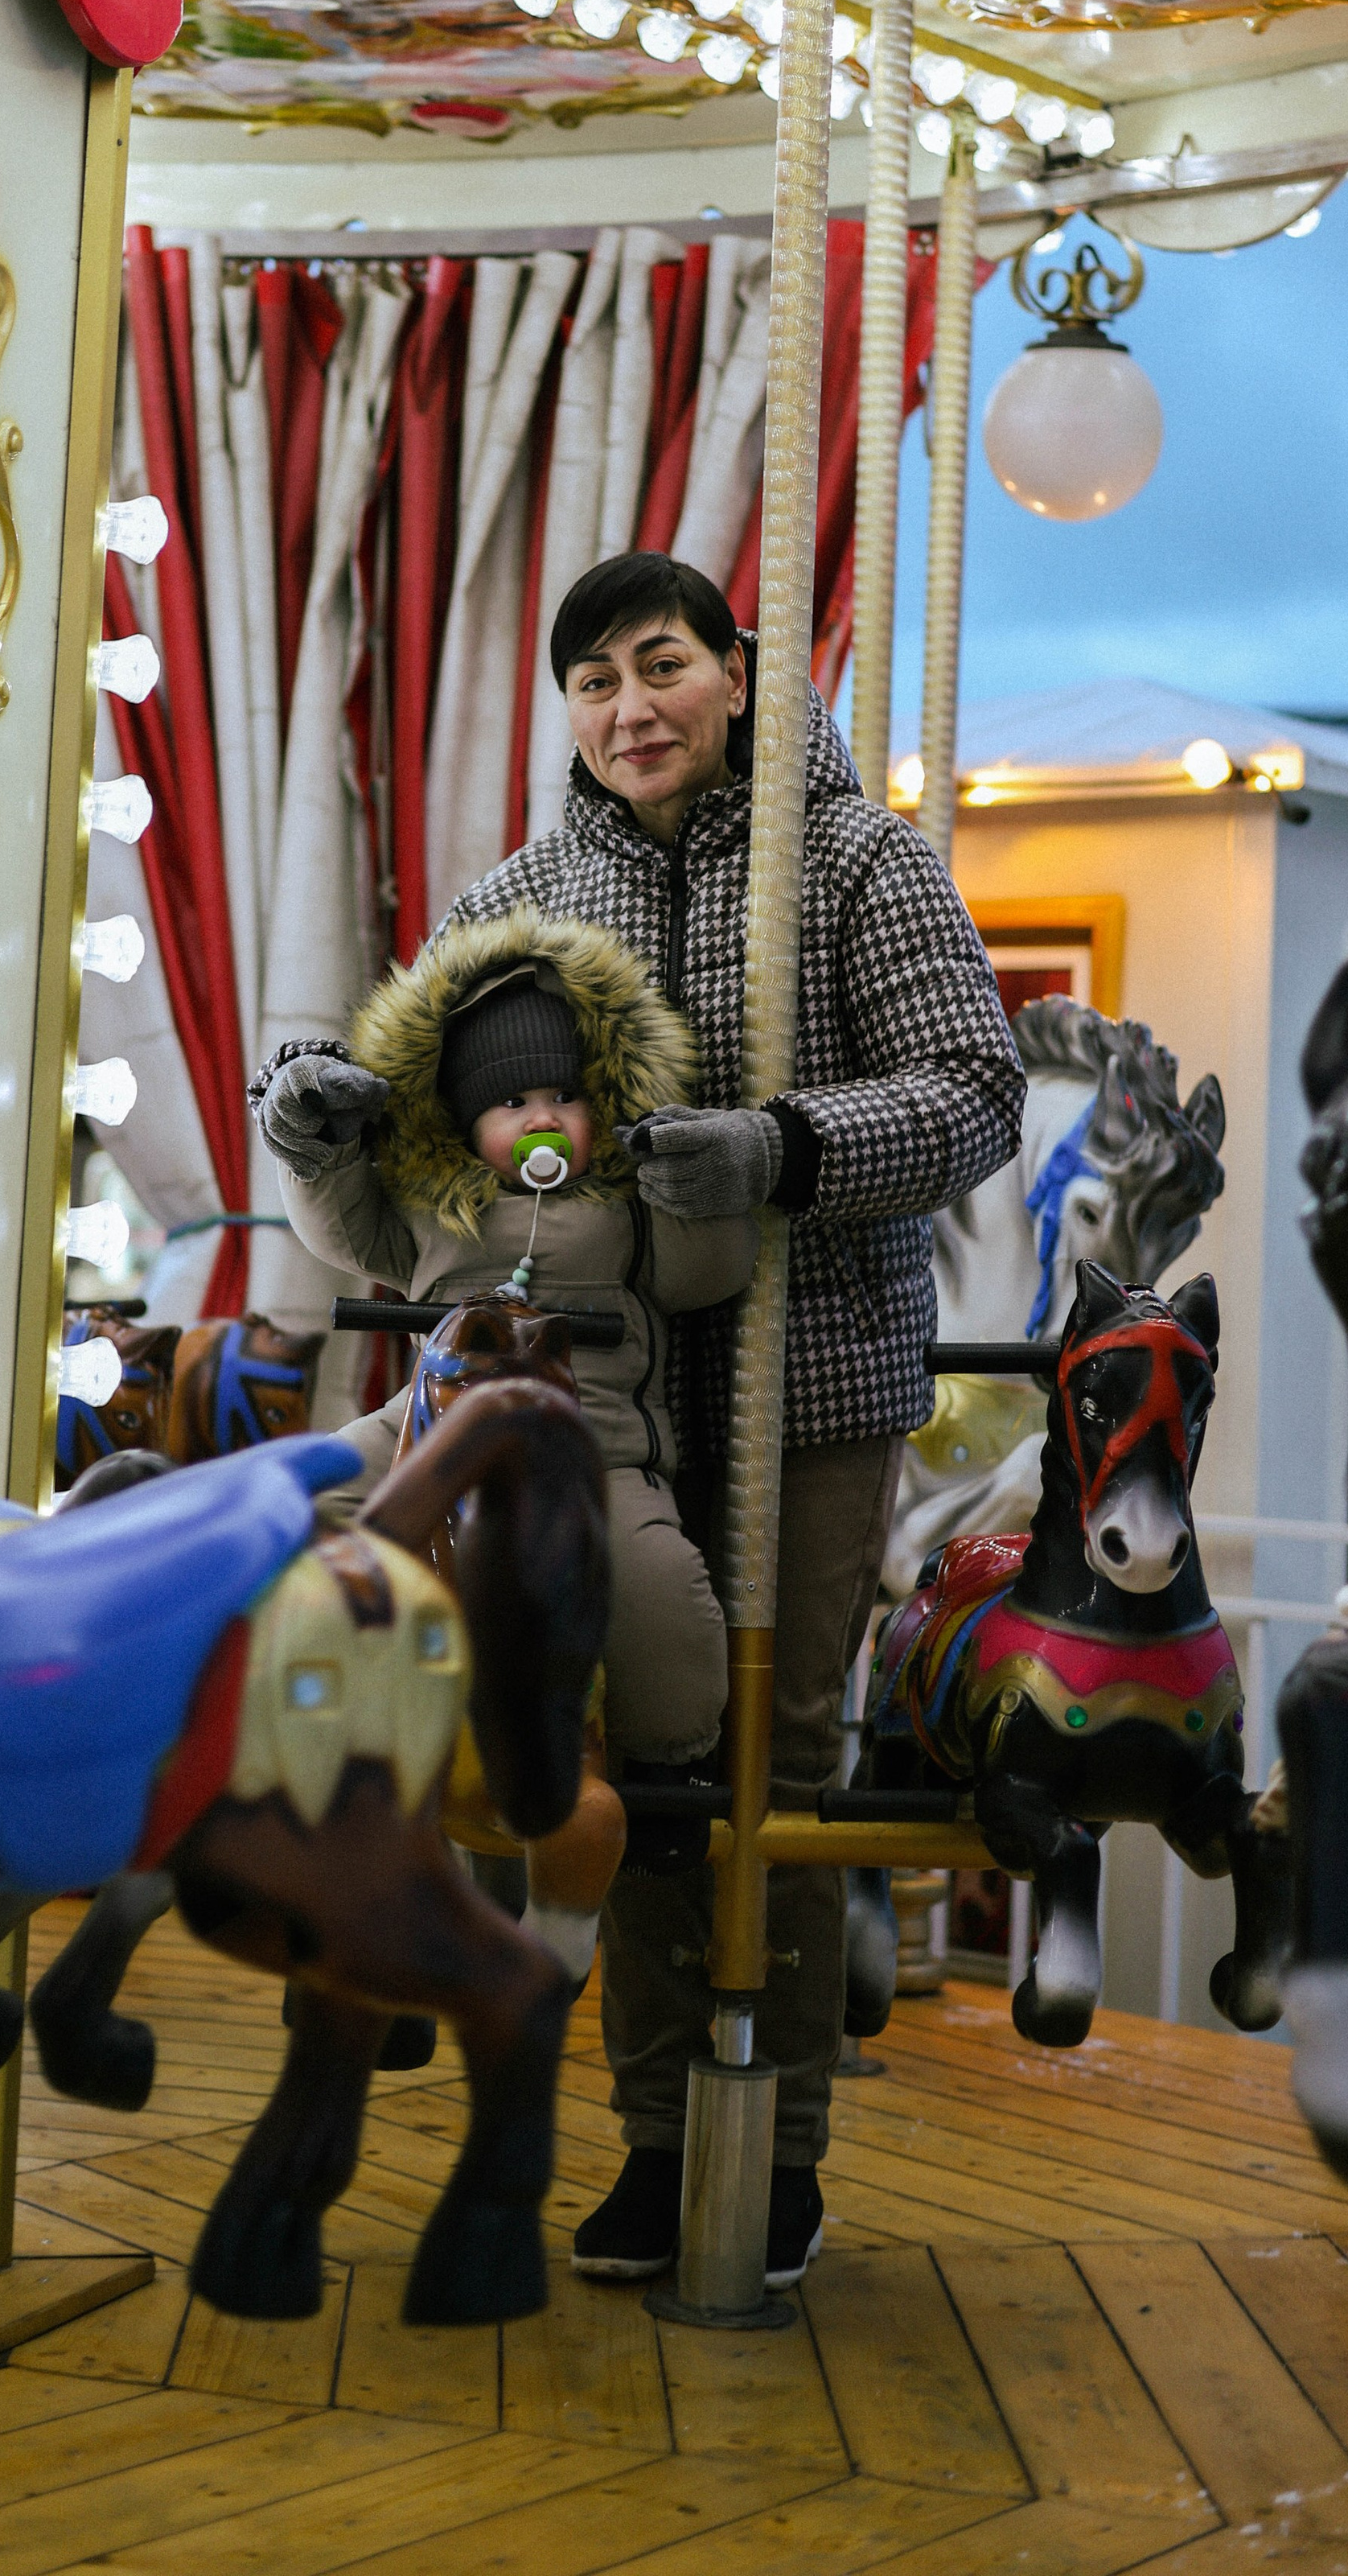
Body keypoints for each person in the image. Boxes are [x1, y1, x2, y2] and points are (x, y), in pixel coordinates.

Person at [434, 551, 1025, 2290]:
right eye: (595, 681)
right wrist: (330, 1101)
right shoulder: (524, 896)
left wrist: (786, 1149)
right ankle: (653, 2136)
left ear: (738, 676)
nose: (630, 707)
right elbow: (431, 1096)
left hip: (808, 1378)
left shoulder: (854, 859)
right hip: (598, 1396)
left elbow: (973, 1088)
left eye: (661, 664)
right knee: (628, 1762)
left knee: (781, 1759)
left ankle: (770, 2142)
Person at [251, 907, 758, 1978]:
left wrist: (695, 1188)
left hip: (594, 1440)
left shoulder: (623, 1207)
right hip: (429, 1424)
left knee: (660, 1583)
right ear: (463, 1119)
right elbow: (342, 1230)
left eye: (563, 1098)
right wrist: (318, 1145)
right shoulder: (437, 1204)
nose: (541, 1119)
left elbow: (702, 1275)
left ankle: (667, 1763)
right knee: (311, 1495)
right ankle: (306, 1696)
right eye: (512, 1103)